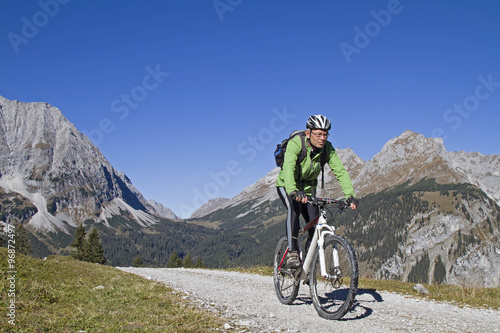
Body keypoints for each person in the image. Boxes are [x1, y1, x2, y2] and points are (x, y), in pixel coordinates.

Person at [276, 114, 358, 267]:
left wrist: (350, 195)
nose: (322, 138)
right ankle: (293, 252)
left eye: (325, 134)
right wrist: (293, 190)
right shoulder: (296, 143)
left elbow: (340, 171)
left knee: (314, 224)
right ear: (308, 133)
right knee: (293, 211)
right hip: (286, 185)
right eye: (318, 134)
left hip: (308, 189)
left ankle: (308, 263)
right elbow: (288, 168)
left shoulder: (327, 148)